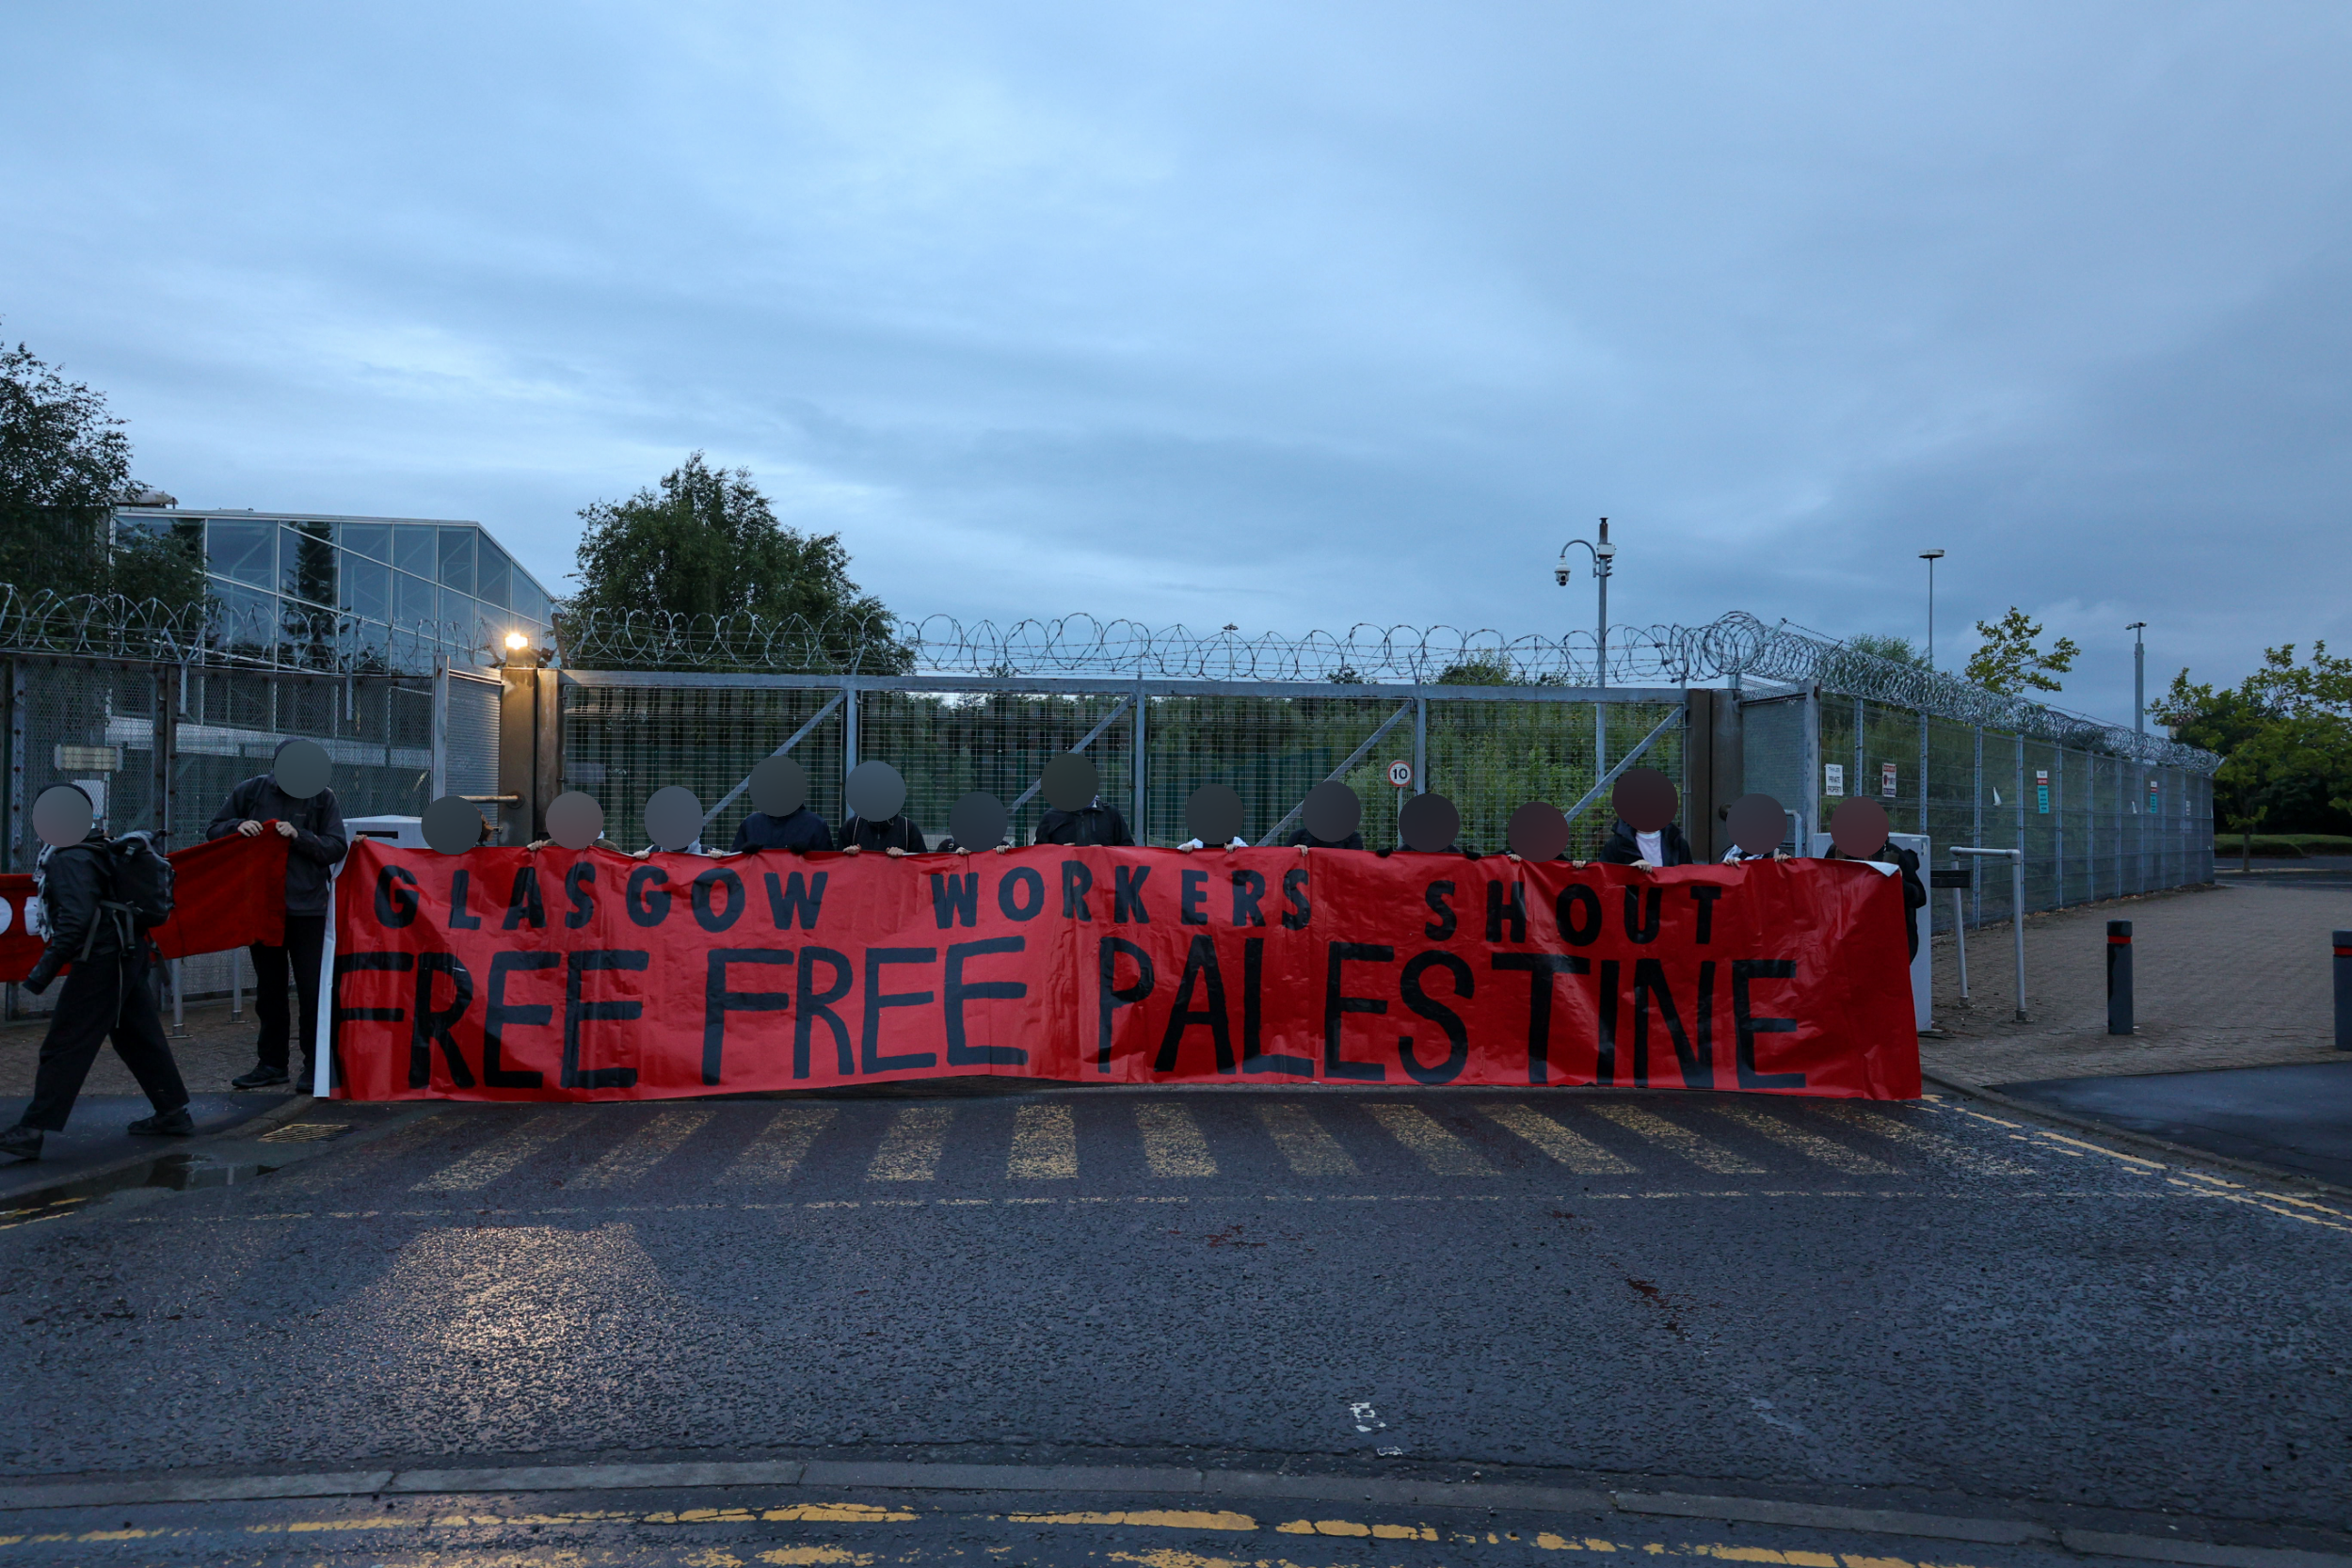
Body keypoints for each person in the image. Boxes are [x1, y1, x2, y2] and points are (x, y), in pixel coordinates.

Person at [0, 796, 193, 1160]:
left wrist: (41, 973)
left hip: (103, 957)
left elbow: (75, 921)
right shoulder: (96, 844)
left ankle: (32, 1129)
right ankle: (172, 1112)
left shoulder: (68, 857)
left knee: (65, 1043)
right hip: (128, 951)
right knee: (138, 1037)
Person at [208, 740, 348, 1092]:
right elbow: (214, 829)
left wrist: (298, 836)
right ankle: (271, 1064)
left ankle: (315, 1066)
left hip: (308, 909)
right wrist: (236, 826)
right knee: (269, 991)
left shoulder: (322, 797)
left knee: (312, 990)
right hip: (263, 907)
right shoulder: (251, 790)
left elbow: (335, 846)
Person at [1827, 836, 1929, 960]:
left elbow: (1919, 897)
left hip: (1885, 941)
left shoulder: (1891, 853)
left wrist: (1898, 882)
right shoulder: (1835, 853)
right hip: (1849, 939)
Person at [1597, 817, 1694, 871]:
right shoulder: (1616, 844)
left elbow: (1689, 879)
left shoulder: (1677, 843)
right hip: (1632, 905)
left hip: (1668, 904)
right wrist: (1628, 871)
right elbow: (1604, 879)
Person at [732, 803, 833, 854]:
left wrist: (809, 855)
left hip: (801, 890)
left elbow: (828, 864)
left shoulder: (815, 823)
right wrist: (744, 855)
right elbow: (733, 863)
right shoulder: (751, 823)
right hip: (758, 890)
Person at [1035, 795, 1132, 847]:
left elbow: (1127, 849)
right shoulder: (1051, 817)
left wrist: (1105, 852)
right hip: (1063, 881)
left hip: (1102, 881)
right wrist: (1060, 852)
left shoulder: (1110, 813)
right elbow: (1039, 855)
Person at [840, 811, 925, 856]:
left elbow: (922, 866)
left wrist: (905, 856)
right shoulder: (851, 826)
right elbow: (837, 868)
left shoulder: (908, 827)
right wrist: (846, 855)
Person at [1288, 826, 1364, 851]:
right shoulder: (1298, 836)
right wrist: (1293, 853)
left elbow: (1356, 866)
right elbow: (1282, 866)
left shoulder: (1353, 838)